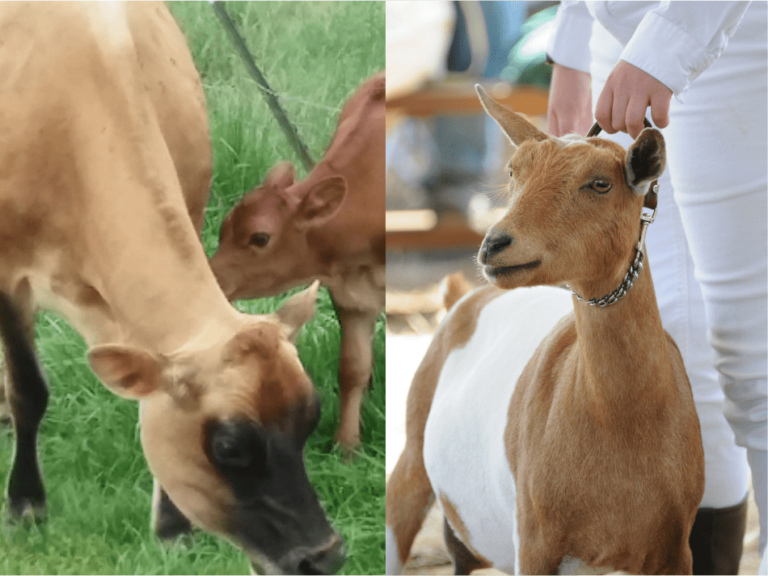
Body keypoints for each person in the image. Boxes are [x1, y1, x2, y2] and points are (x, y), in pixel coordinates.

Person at [546, 2, 766, 574]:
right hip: (620, 40)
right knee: (663, 339)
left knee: (756, 349)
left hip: (737, 38)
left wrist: (667, 44)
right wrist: (571, 48)